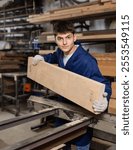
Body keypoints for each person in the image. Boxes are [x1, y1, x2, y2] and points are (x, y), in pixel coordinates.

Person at [32, 20, 112, 150]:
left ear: (74, 37)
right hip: (63, 106)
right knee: (61, 141)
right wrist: (43, 59)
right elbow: (54, 56)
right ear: (56, 40)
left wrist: (105, 99)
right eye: (60, 39)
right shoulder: (60, 52)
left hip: (81, 110)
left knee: (81, 143)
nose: (64, 43)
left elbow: (103, 83)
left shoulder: (86, 61)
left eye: (68, 38)